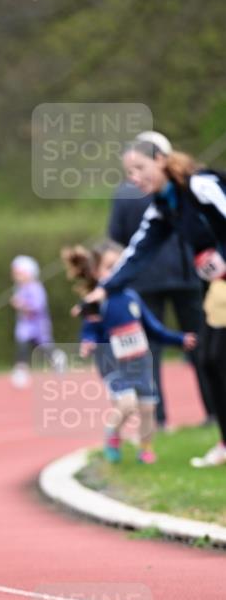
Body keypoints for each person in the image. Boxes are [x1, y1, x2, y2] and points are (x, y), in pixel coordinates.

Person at [86, 137, 226, 468]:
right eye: (129, 172)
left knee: (216, 357)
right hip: (219, 287)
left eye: (140, 168)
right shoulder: (164, 206)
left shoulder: (200, 186)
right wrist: (105, 289)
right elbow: (138, 251)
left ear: (161, 159)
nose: (134, 178)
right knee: (209, 359)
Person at [108, 131, 214, 430]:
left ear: (160, 160)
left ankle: (158, 417)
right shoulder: (160, 194)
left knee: (156, 348)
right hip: (181, 275)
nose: (137, 177)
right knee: (199, 342)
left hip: (153, 279)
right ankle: (212, 411)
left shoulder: (181, 189)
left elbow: (118, 236)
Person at [63, 241, 196, 464]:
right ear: (95, 272)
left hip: (139, 362)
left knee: (148, 408)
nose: (116, 272)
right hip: (113, 364)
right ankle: (112, 434)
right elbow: (89, 330)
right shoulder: (96, 301)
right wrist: (88, 343)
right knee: (126, 403)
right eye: (110, 267)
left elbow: (153, 328)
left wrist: (179, 339)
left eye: (120, 266)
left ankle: (145, 448)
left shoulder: (132, 297)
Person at [9, 255, 55, 388]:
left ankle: (56, 360)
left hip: (38, 324)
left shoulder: (36, 287)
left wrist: (22, 305)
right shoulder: (19, 288)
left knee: (43, 347)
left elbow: (38, 306)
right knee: (22, 346)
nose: (16, 276)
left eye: (19, 273)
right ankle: (21, 370)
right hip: (25, 325)